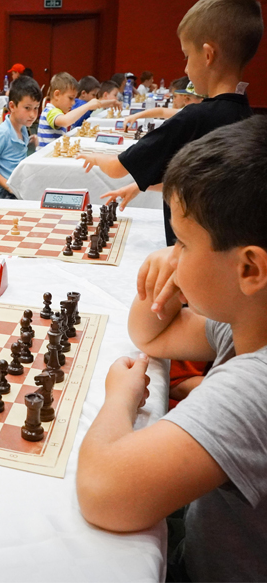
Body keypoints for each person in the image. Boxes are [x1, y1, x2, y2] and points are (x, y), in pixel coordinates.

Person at [76, 116, 267, 582]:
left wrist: (121, 397)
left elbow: (104, 492)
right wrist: (172, 273)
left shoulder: (256, 386)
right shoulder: (247, 321)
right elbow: (152, 336)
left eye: (182, 242)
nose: (171, 253)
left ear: (249, 270)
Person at [82, 0, 262, 245]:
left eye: (187, 56)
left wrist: (95, 157)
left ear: (208, 55)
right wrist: (139, 185)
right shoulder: (245, 114)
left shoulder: (193, 118)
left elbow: (117, 168)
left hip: (190, 250)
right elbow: (197, 181)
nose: (185, 68)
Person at [0, 76, 41, 199]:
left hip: (19, 183)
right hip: (4, 191)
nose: (32, 114)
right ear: (12, 106)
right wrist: (8, 186)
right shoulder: (2, 133)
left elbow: (13, 150)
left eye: (36, 108)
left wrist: (30, 141)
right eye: (27, 108)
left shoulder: (22, 128)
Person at [38, 72, 118, 146]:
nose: (73, 102)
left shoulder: (59, 110)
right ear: (57, 94)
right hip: (46, 155)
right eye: (70, 98)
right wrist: (87, 106)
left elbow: (96, 104)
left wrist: (112, 102)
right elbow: (66, 121)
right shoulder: (50, 111)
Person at [123, 77, 194, 125]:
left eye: (175, 96)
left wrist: (136, 116)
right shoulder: (186, 110)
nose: (173, 100)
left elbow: (161, 112)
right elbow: (162, 112)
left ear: (185, 97)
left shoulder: (188, 112)